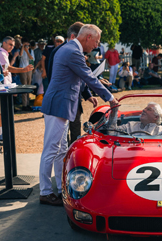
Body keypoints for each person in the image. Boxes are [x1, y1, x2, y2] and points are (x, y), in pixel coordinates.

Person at [40, 24, 119, 206]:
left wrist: (90, 95)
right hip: (58, 105)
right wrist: (110, 98)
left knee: (60, 150)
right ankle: (45, 191)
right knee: (52, 149)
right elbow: (87, 77)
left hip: (62, 105)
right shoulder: (72, 51)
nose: (96, 46)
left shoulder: (70, 49)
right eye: (96, 42)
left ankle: (60, 189)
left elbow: (79, 78)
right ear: (88, 37)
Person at [18, 37, 34, 111]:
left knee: (28, 86)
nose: (26, 46)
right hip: (22, 69)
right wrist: (22, 47)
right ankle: (24, 104)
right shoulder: (21, 50)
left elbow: (31, 59)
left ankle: (28, 103)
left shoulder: (31, 50)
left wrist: (27, 51)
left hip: (29, 69)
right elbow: (20, 55)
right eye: (25, 44)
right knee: (24, 86)